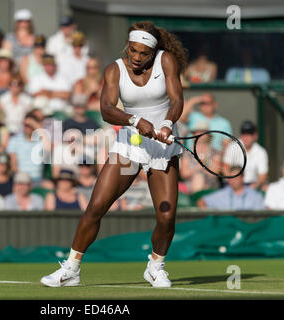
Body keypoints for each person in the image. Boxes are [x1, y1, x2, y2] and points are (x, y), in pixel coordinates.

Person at [41, 21, 188, 288]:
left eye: (144, 53)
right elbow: (107, 109)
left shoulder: (166, 61)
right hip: (130, 143)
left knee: (166, 215)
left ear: (153, 53)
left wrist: (166, 124)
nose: (137, 57)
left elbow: (177, 99)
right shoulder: (114, 70)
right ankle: (71, 268)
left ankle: (156, 266)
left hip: (162, 147)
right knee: (96, 207)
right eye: (133, 50)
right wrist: (135, 121)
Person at [223, 120, 268, 190]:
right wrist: (232, 182)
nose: (246, 137)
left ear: (255, 136)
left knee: (265, 188)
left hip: (252, 185)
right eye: (244, 134)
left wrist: (255, 186)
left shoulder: (261, 152)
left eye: (249, 134)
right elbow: (225, 168)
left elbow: (262, 176)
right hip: (232, 184)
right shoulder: (233, 146)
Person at [197, 166, 265, 210]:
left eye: (236, 177)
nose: (232, 180)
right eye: (230, 178)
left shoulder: (255, 196)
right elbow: (201, 202)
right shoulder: (222, 194)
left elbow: (261, 216)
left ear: (242, 178)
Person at [179, 121, 220, 193]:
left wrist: (202, 168)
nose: (200, 134)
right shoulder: (187, 153)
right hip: (190, 186)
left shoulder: (215, 153)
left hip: (210, 185)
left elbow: (215, 172)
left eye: (203, 132)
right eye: (197, 132)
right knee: (198, 178)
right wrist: (198, 168)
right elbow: (184, 173)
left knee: (199, 178)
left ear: (208, 135)